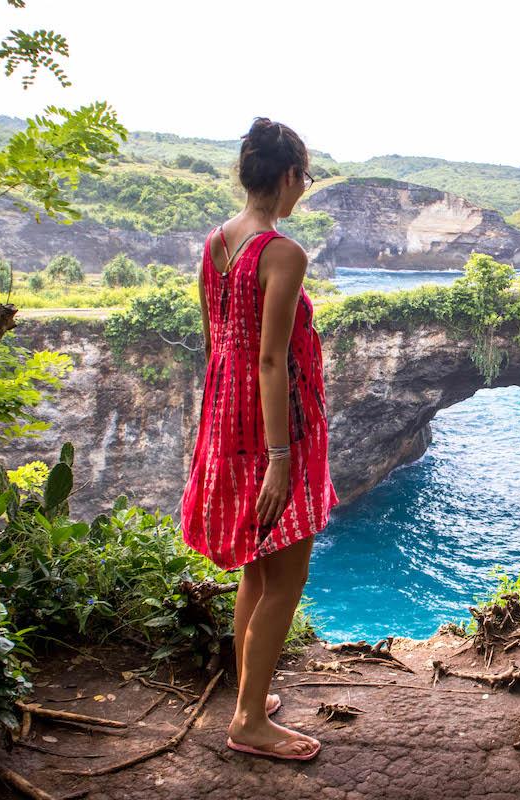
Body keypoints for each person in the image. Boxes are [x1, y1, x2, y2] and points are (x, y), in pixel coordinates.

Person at [179, 117, 339, 761]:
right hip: (277, 427)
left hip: (227, 415)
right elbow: (272, 360)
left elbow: (219, 342)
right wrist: (280, 459)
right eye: (304, 175)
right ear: (286, 177)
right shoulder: (282, 253)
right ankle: (248, 720)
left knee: (256, 563)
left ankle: (250, 689)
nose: (304, 187)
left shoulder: (215, 243)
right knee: (286, 578)